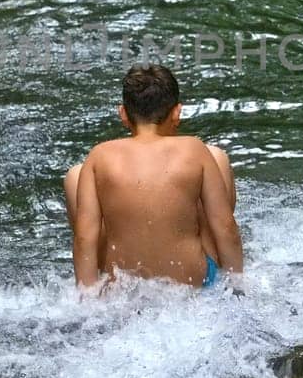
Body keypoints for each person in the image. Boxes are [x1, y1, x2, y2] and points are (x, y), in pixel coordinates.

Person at [63, 64, 243, 290]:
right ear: (177, 112)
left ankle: (105, 279)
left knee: (75, 178)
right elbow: (225, 227)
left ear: (123, 114)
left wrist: (88, 302)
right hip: (194, 284)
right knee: (216, 161)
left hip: (122, 291)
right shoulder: (196, 150)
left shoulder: (98, 157)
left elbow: (84, 239)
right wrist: (238, 285)